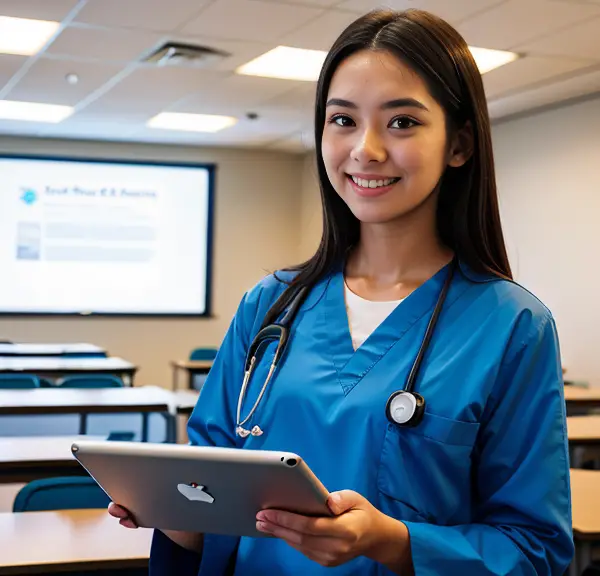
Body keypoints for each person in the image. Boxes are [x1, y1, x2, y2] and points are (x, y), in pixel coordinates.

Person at [109, 8, 574, 575]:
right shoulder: (271, 304)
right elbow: (206, 493)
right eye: (343, 120)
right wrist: (171, 512)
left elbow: (534, 551)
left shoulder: (511, 326)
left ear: (460, 144)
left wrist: (391, 541)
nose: (366, 149)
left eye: (402, 122)